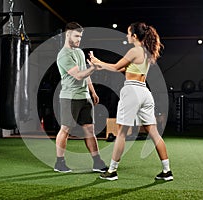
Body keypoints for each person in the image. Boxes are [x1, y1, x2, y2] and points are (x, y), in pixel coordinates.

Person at [88, 22, 173, 181]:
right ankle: (167, 171)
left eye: (128, 33)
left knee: (121, 133)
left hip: (132, 91)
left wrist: (97, 61)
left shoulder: (135, 50)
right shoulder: (146, 52)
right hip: (145, 92)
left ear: (134, 36)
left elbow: (114, 67)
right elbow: (122, 69)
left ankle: (112, 171)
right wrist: (99, 65)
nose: (127, 36)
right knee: (153, 133)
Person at [54, 22, 107, 173]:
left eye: (80, 37)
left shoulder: (79, 52)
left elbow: (86, 75)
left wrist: (93, 91)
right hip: (70, 97)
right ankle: (59, 162)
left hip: (84, 97)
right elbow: (78, 75)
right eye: (76, 36)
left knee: (89, 130)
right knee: (65, 129)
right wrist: (93, 68)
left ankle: (97, 162)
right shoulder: (63, 55)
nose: (79, 39)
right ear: (68, 35)